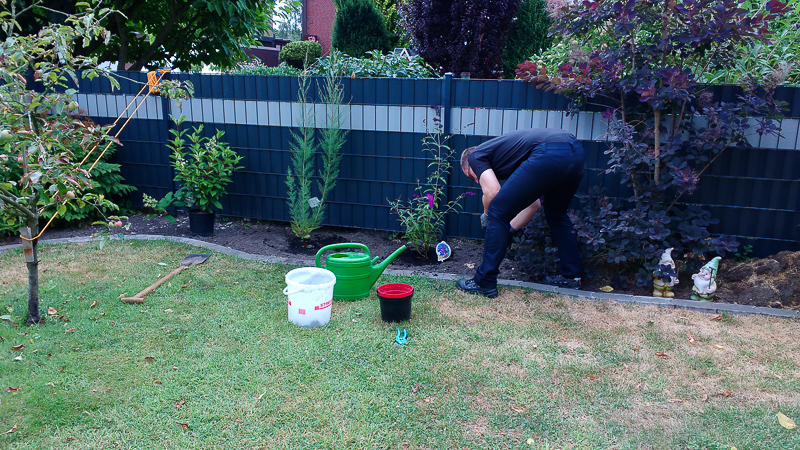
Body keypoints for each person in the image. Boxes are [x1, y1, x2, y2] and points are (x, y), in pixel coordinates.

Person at [456, 128, 586, 298]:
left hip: (549, 150)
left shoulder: (476, 156)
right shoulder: (514, 159)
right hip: (575, 152)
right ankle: (572, 277)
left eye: (472, 177)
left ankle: (484, 282)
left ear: (469, 164)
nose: (476, 180)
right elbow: (534, 204)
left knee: (496, 211)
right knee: (556, 214)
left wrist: (487, 216)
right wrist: (508, 230)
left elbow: (493, 193)